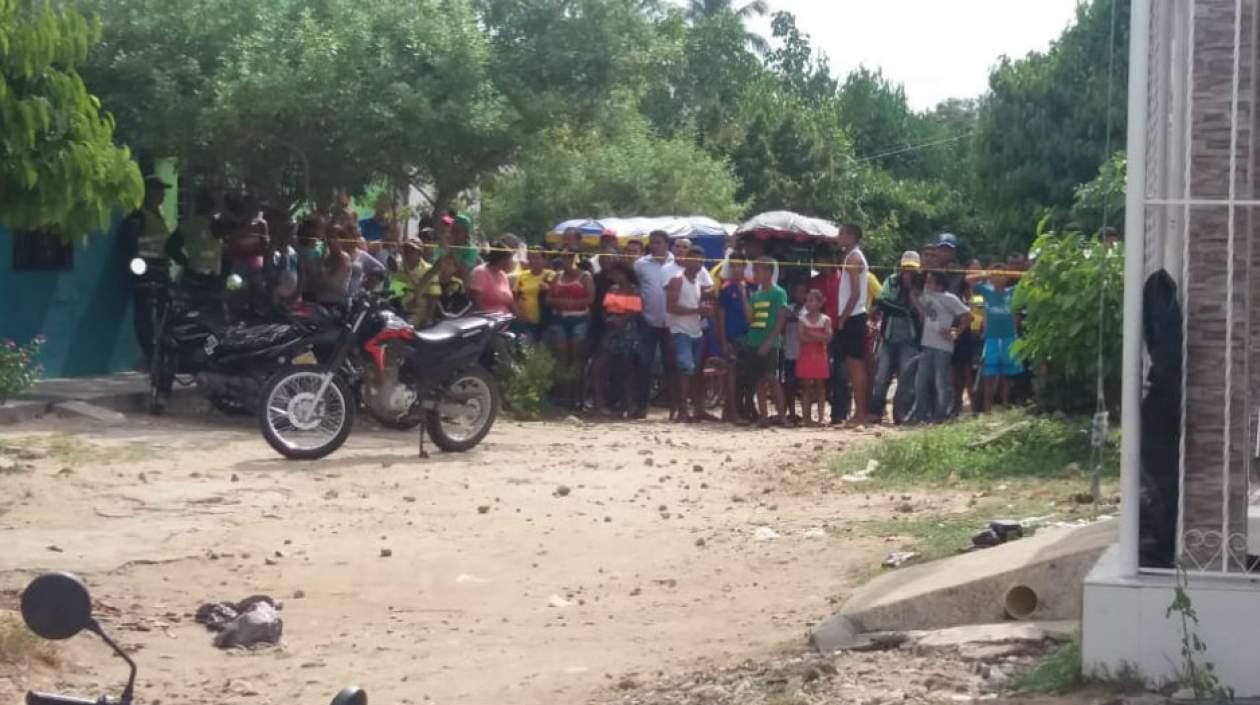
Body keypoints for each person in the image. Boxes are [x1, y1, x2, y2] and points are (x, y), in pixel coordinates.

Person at [119, 176, 173, 359]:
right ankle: (149, 354)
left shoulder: (160, 216)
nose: (162, 195)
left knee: (166, 313)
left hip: (161, 271)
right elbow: (128, 246)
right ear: (148, 192)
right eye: (158, 190)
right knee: (145, 316)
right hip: (146, 272)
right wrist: (137, 269)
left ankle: (163, 352)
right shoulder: (138, 217)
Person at [909, 270, 972, 423]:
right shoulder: (926, 295)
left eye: (930, 281)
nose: (927, 284)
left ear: (939, 284)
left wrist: (956, 332)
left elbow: (968, 316)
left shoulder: (950, 298)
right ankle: (921, 414)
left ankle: (941, 415)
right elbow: (916, 299)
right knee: (921, 382)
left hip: (943, 347)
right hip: (927, 344)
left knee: (941, 382)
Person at [869, 251, 922, 424]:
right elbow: (883, 303)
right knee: (882, 376)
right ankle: (876, 413)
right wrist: (905, 309)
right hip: (889, 336)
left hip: (911, 337)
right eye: (905, 268)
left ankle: (902, 414)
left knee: (906, 378)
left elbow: (918, 311)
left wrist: (906, 305)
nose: (908, 272)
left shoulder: (921, 285)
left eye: (912, 269)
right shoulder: (891, 281)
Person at [665, 245, 713, 423]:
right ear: (686, 260)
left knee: (691, 372)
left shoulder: (699, 282)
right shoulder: (677, 280)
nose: (697, 264)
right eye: (694, 260)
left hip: (696, 331)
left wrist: (703, 310)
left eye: (700, 261)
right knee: (686, 369)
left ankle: (684, 408)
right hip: (680, 331)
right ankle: (682, 408)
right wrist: (697, 309)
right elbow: (671, 307)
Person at [968, 262, 1023, 410]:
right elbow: (969, 280)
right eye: (995, 275)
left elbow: (1029, 283)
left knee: (1006, 374)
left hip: (1009, 337)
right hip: (991, 337)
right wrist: (985, 274)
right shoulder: (985, 291)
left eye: (1001, 275)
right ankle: (987, 407)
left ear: (1007, 278)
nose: (998, 278)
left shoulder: (1012, 292)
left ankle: (1004, 404)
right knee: (989, 374)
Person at [633, 230, 676, 418]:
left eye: (659, 242)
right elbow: (635, 289)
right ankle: (641, 406)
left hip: (672, 322)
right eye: (652, 243)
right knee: (644, 364)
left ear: (667, 244)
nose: (655, 246)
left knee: (671, 365)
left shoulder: (677, 263)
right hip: (648, 322)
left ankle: (675, 407)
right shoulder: (640, 265)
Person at [741, 258, 788, 428]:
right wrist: (744, 297)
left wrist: (769, 342)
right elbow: (750, 319)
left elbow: (781, 320)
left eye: (758, 271)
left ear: (768, 272)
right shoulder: (756, 295)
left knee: (771, 378)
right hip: (754, 339)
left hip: (770, 342)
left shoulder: (779, 293)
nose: (755, 274)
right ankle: (763, 416)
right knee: (759, 380)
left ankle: (782, 416)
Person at [548, 250, 595, 411]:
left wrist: (571, 304)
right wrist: (562, 302)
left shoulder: (585, 276)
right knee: (562, 357)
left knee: (577, 358)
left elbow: (591, 298)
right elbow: (548, 298)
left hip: (579, 319)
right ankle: (564, 396)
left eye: (569, 257)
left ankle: (577, 397)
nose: (565, 260)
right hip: (559, 319)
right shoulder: (557, 276)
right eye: (564, 257)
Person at [597, 258, 643, 417]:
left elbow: (634, 311)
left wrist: (620, 320)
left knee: (627, 368)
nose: (615, 276)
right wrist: (608, 319)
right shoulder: (612, 289)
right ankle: (606, 403)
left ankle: (629, 404)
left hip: (628, 330)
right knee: (605, 366)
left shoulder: (634, 290)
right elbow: (605, 309)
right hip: (611, 328)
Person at [835, 224, 871, 425]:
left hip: (853, 316)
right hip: (855, 315)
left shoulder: (853, 258)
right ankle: (860, 412)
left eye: (841, 234)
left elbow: (855, 293)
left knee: (855, 366)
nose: (838, 237)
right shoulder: (853, 257)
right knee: (854, 366)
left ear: (850, 236)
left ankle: (860, 413)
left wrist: (843, 317)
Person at [808, 246, 847, 423]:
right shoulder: (815, 282)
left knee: (840, 372)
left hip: (839, 329)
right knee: (825, 373)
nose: (820, 265)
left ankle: (839, 413)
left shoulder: (843, 279)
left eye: (823, 261)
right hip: (820, 331)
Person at [165, 188, 224, 293]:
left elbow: (170, 247)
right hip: (210, 277)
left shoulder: (189, 224)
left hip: (195, 274)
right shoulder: (216, 225)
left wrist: (185, 262)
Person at [717, 258, 752, 424]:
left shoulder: (750, 287)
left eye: (740, 266)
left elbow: (751, 316)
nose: (737, 269)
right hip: (732, 336)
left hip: (747, 337)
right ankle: (732, 413)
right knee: (731, 376)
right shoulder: (726, 288)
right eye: (734, 266)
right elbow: (721, 316)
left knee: (744, 377)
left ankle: (736, 410)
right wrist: (723, 341)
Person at [796, 289, 834, 426]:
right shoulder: (802, 319)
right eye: (807, 300)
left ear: (819, 303)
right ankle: (806, 417)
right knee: (806, 386)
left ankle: (821, 417)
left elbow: (828, 337)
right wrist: (819, 337)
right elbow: (801, 337)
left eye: (812, 300)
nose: (808, 303)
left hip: (819, 356)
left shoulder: (825, 319)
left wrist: (811, 334)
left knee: (820, 386)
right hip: (807, 355)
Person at [513, 247, 554, 342]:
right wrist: (518, 314)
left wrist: (548, 289)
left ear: (544, 260)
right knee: (529, 350)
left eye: (536, 257)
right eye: (529, 258)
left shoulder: (551, 275)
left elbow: (556, 294)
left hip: (546, 322)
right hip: (526, 321)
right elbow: (514, 297)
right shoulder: (522, 276)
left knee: (543, 350)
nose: (532, 261)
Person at [781, 282, 807, 425]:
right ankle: (791, 412)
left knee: (803, 384)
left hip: (804, 353)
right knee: (790, 383)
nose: (800, 295)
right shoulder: (789, 308)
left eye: (803, 292)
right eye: (797, 292)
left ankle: (805, 414)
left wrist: (794, 318)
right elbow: (782, 325)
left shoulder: (808, 309)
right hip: (789, 352)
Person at [469, 243, 519, 316]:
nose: (511, 262)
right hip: (489, 322)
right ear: (502, 260)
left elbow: (510, 302)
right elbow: (475, 300)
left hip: (505, 319)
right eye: (509, 259)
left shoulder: (503, 275)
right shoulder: (481, 272)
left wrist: (519, 318)